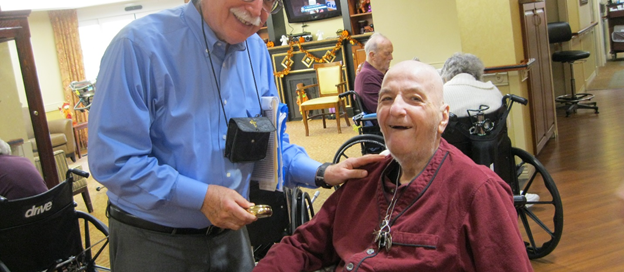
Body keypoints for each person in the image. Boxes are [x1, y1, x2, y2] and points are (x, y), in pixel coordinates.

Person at [87, 0, 384, 271]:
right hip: (155, 243)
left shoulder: (256, 51)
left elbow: (271, 147)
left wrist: (323, 172)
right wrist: (202, 198)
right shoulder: (138, 46)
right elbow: (115, 162)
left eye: (269, 2)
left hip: (232, 239)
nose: (257, 11)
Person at [254, 60, 533, 271]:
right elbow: (303, 245)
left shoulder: (478, 191)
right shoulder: (363, 178)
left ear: (443, 117)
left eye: (415, 99)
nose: (396, 109)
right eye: (386, 99)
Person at [440, 52, 503, 117]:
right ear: (479, 73)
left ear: (445, 77)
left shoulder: (441, 94)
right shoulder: (494, 90)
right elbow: (507, 124)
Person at [354, 32, 393, 114]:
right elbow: (382, 112)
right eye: (387, 53)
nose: (391, 57)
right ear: (372, 55)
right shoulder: (366, 78)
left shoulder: (384, 73)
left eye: (391, 53)